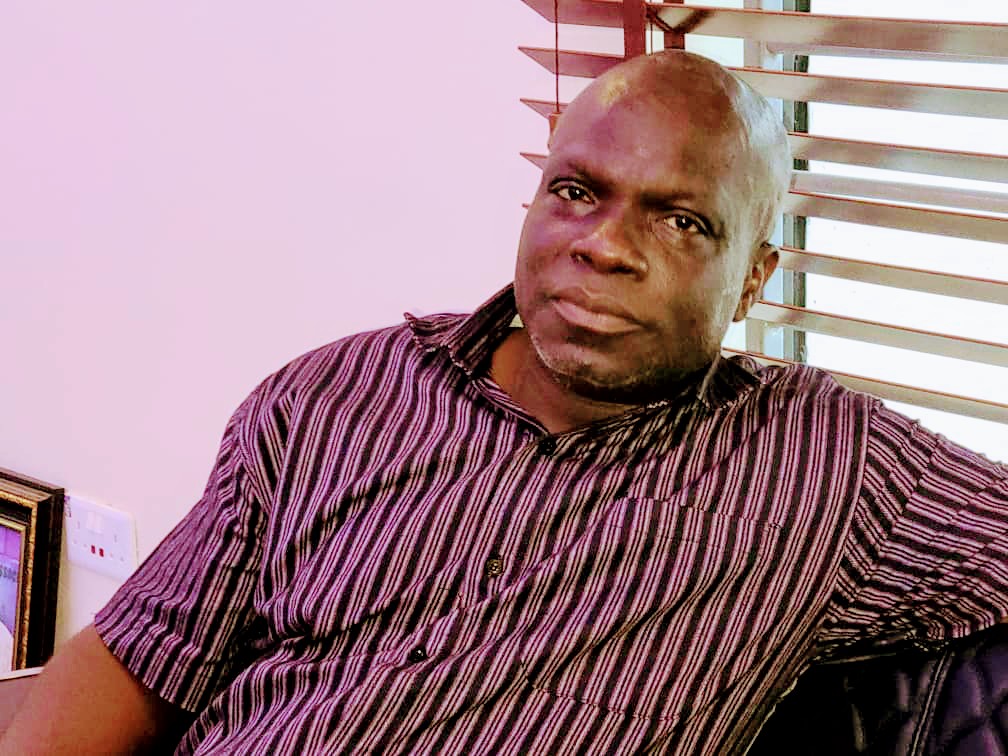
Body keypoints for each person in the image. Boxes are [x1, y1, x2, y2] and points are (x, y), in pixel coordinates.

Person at [3, 49, 1007, 755]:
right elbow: (135, 659)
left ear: (753, 280)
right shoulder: (331, 397)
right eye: (577, 191)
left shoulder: (829, 466)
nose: (604, 245)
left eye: (682, 220)